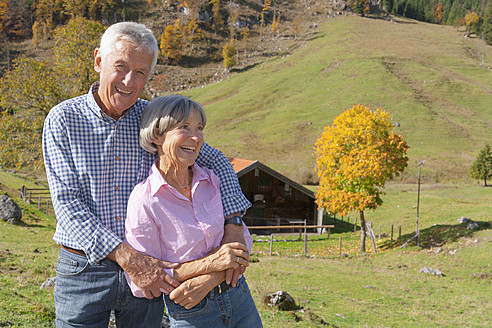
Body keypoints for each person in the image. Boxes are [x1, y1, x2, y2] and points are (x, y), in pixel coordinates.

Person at [43, 22, 251, 328]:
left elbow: (218, 162)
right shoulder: (63, 119)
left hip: (150, 271)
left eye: (140, 72)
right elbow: (67, 205)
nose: (129, 81)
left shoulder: (154, 119)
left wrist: (233, 224)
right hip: (84, 268)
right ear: (99, 61)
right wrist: (128, 257)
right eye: (121, 66)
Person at [124, 95, 263, 327]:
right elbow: (144, 280)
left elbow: (242, 246)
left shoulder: (212, 181)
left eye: (199, 128)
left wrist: (211, 278)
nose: (196, 137)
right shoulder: (145, 200)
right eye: (184, 127)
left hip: (239, 298)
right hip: (193, 312)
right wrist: (212, 264)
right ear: (157, 135)